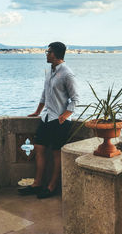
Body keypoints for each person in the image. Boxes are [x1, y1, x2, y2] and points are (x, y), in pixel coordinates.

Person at [18, 42, 79, 199]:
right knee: (38, 148)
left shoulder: (67, 74)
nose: (46, 54)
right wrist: (38, 111)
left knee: (56, 154)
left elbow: (75, 99)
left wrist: (65, 115)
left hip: (59, 121)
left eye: (49, 52)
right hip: (46, 117)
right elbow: (45, 93)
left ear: (56, 54)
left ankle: (51, 187)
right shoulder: (50, 71)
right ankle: (37, 184)